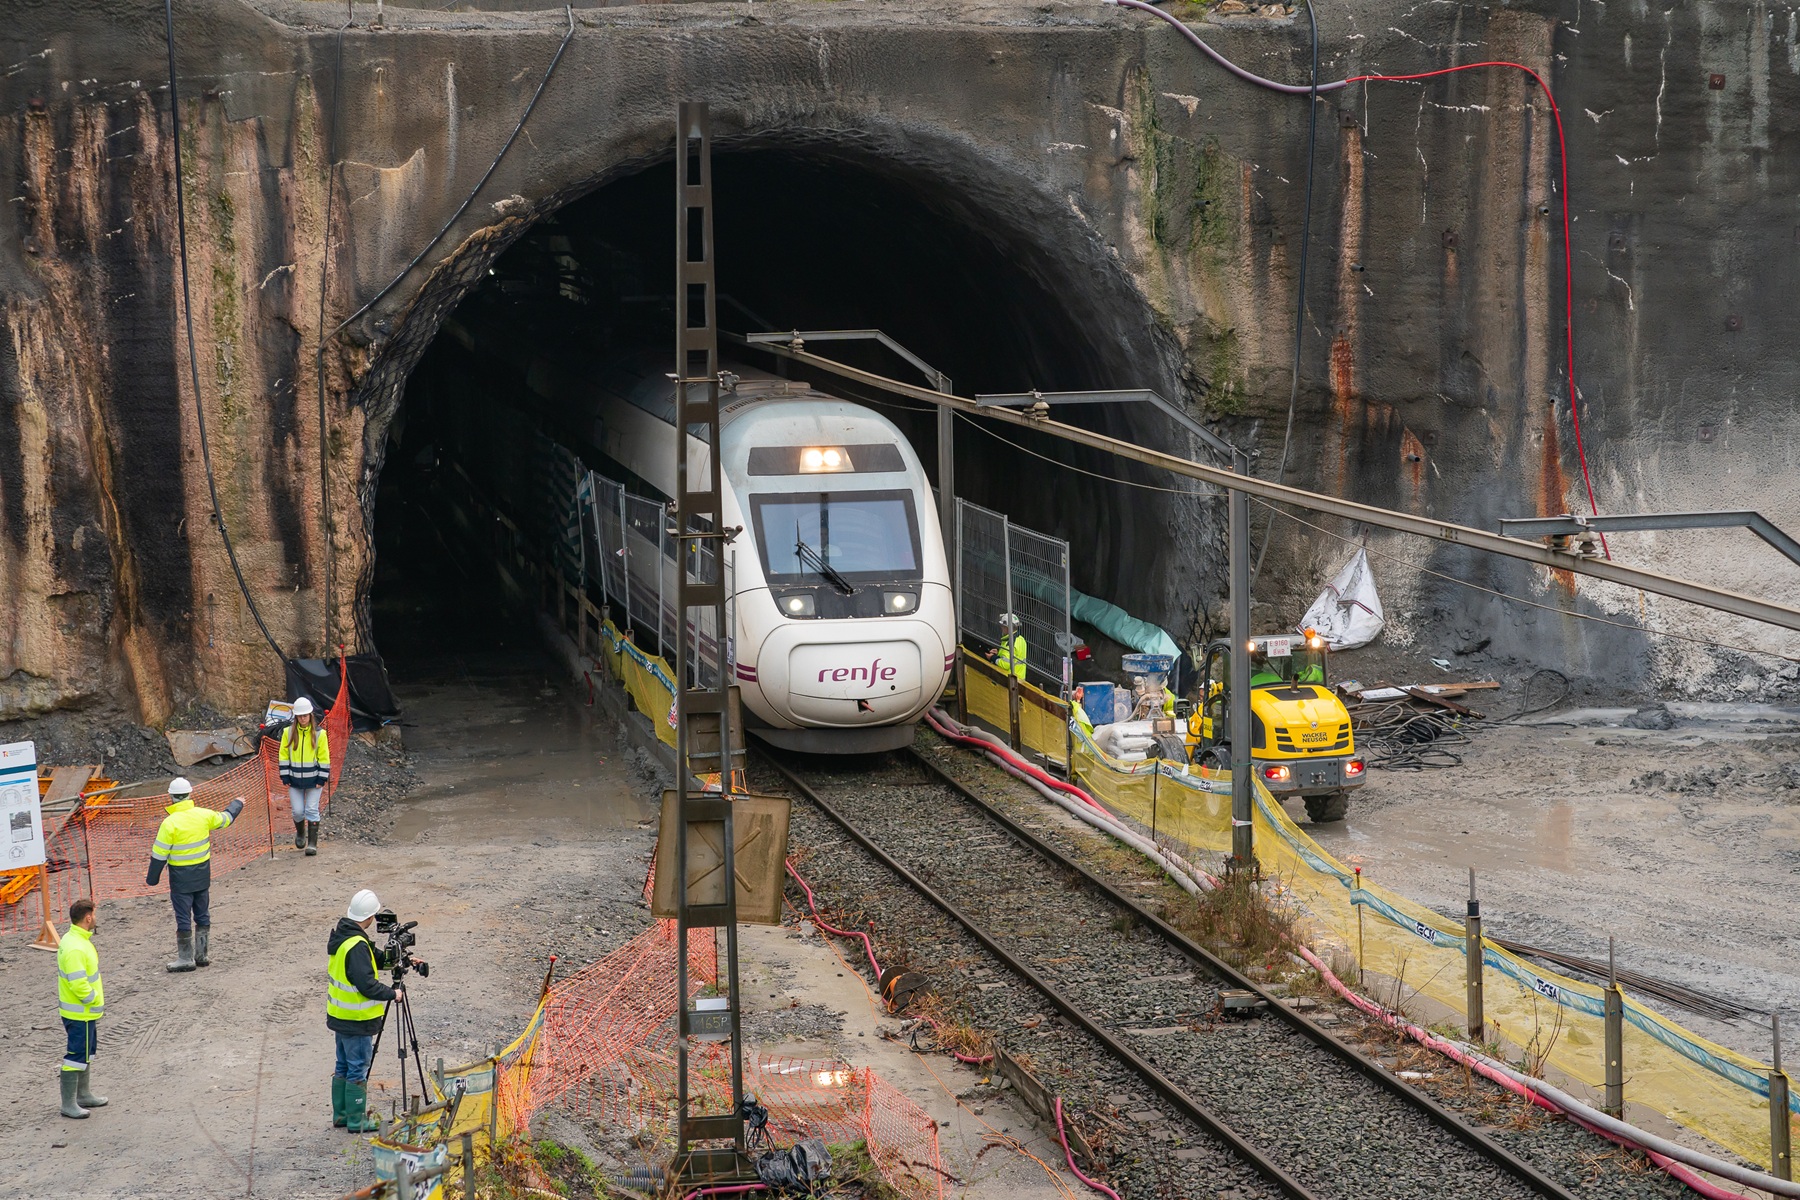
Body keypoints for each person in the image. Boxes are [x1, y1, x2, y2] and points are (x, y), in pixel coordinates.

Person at [146, 778, 244, 972]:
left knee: (183, 917)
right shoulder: (203, 815)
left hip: (180, 880)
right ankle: (202, 955)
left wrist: (152, 878)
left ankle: (185, 958)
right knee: (202, 913)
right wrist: (237, 803)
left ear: (171, 797)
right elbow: (226, 818)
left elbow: (159, 855)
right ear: (190, 794)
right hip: (202, 876)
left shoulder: (169, 823)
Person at [328, 889, 400, 1133]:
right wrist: (393, 993)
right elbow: (367, 984)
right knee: (358, 1067)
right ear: (369, 916)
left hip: (340, 1017)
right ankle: (357, 1120)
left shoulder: (345, 938)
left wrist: (402, 959)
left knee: (343, 1066)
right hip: (357, 1020)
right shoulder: (357, 945)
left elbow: (375, 959)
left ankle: (341, 1115)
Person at [56, 898, 107, 1119]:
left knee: (86, 1052)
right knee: (76, 1056)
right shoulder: (75, 947)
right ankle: (68, 1104)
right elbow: (78, 983)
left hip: (83, 1012)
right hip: (80, 1012)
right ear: (88, 917)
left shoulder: (75, 939)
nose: (96, 918)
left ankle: (83, 1094)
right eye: (94, 914)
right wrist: (93, 999)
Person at [279, 696, 332, 857]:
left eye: (305, 715)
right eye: (300, 716)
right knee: (297, 811)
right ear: (296, 717)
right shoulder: (288, 732)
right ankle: (301, 833)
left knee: (311, 809)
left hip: (314, 780)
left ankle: (312, 844)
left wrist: (322, 778)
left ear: (310, 715)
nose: (302, 719)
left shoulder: (319, 734)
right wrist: (285, 775)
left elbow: (324, 757)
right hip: (294, 780)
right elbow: (283, 754)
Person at [988, 614, 1027, 682]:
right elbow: (1013, 656)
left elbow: (1005, 664)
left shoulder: (1010, 642)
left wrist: (992, 657)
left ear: (1008, 628)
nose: (1001, 628)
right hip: (1020, 679)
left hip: (1010, 680)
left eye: (1003, 626)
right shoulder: (1021, 639)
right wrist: (999, 653)